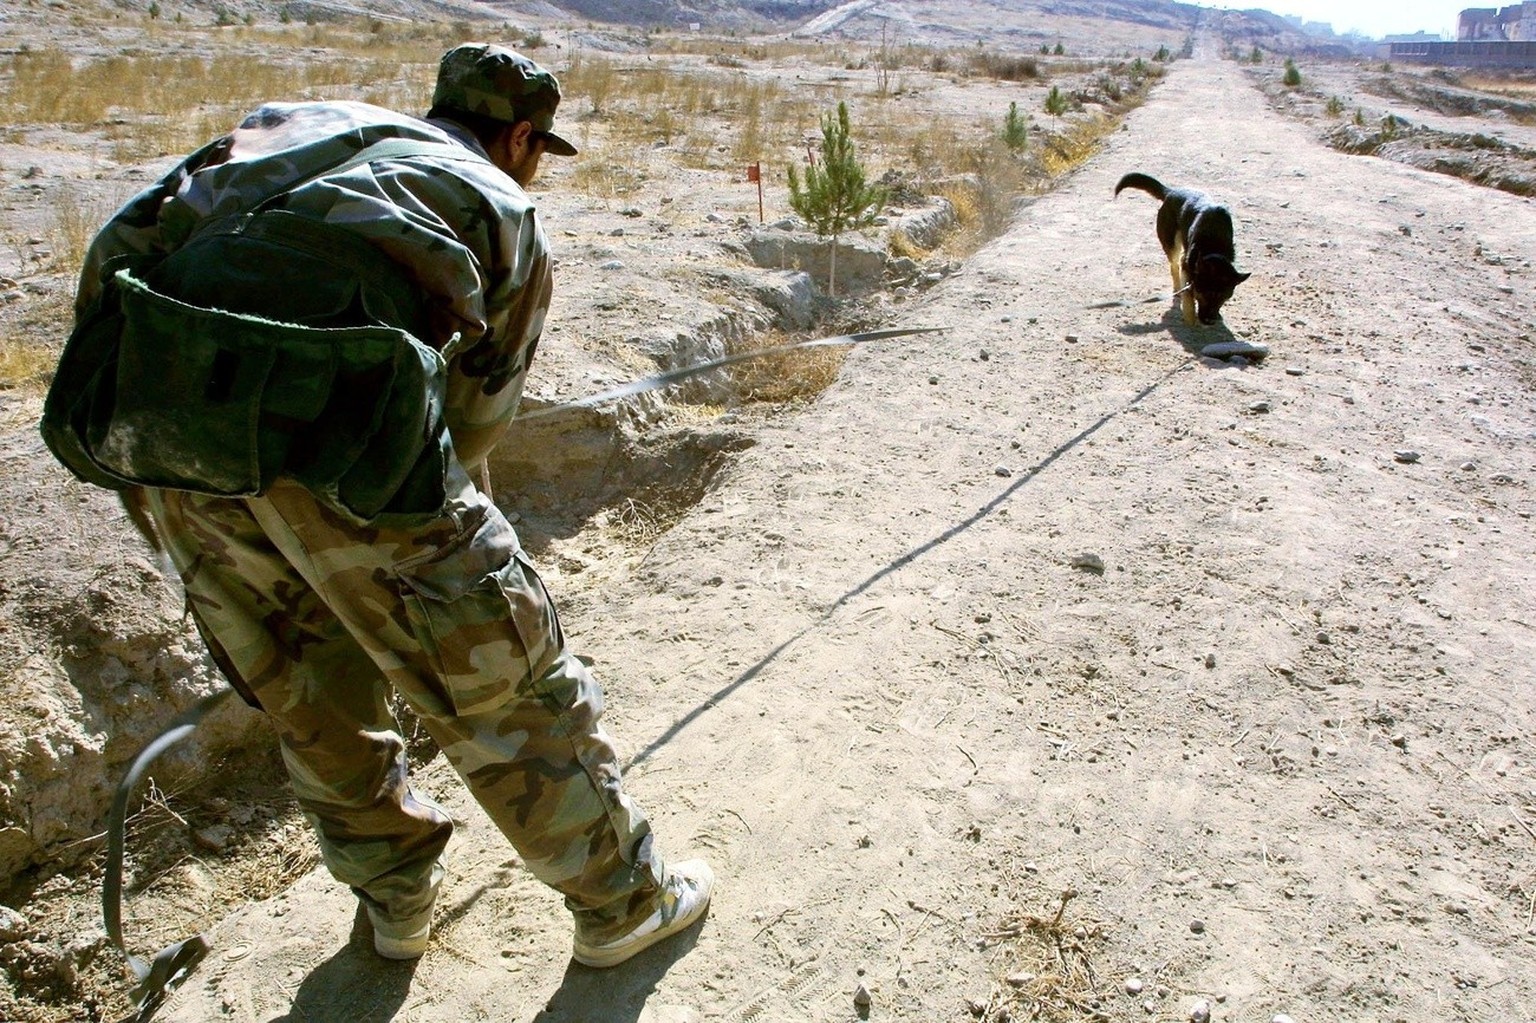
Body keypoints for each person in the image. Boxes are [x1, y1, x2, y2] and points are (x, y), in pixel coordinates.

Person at [63, 43, 712, 968]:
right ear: (522, 136)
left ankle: (394, 903)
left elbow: (123, 250)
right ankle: (621, 903)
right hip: (356, 459)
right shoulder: (503, 204)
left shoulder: (301, 122)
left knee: (306, 693)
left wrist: (159, 469)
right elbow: (475, 424)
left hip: (181, 441)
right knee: (508, 683)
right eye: (537, 147)